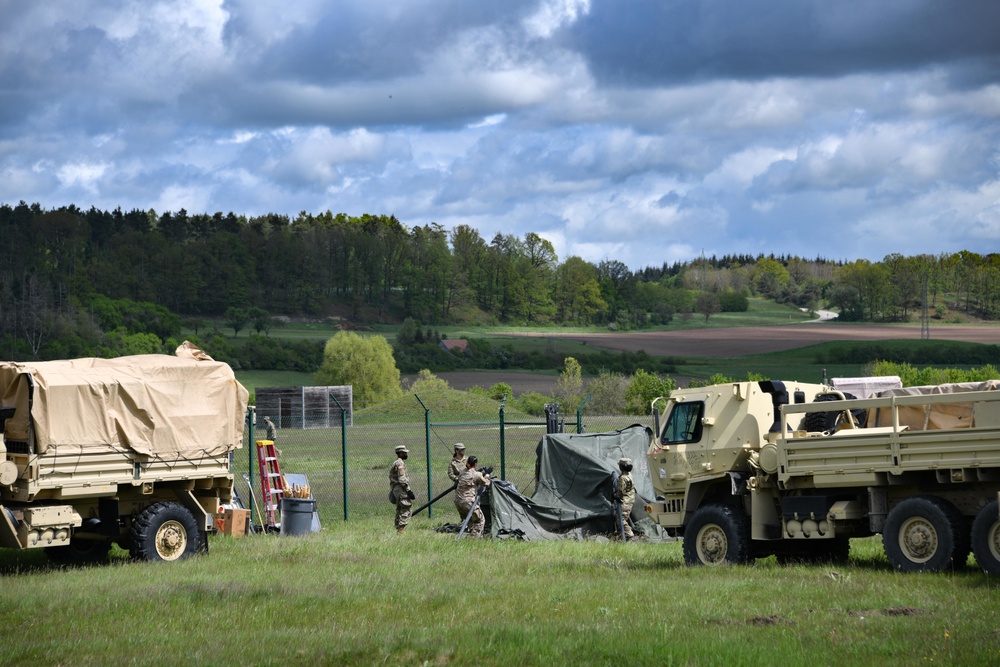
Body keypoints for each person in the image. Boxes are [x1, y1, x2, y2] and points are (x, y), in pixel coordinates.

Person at [454, 455, 491, 538]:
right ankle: (472, 540)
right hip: (468, 502)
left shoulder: (462, 472)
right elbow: (486, 483)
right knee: (480, 520)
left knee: (471, 520)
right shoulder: (476, 475)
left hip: (458, 501)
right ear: (475, 464)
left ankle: (472, 536)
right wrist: (487, 476)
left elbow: (471, 475)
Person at [390, 445, 414, 534]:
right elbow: (402, 478)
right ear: (400, 453)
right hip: (401, 489)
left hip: (396, 489)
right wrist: (409, 490)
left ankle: (398, 528)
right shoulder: (400, 464)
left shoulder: (396, 462)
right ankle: (400, 529)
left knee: (399, 509)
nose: (406, 454)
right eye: (405, 452)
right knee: (406, 508)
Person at [614, 457, 636, 540]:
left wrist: (615, 495)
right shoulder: (629, 475)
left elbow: (621, 492)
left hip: (625, 501)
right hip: (630, 500)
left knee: (620, 519)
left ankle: (629, 534)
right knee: (621, 518)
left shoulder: (623, 478)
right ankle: (621, 535)